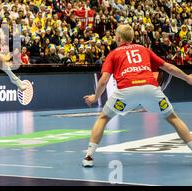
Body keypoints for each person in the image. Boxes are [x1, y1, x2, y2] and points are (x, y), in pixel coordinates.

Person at [82, 24, 192, 167]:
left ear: (118, 37)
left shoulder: (113, 53)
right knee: (172, 118)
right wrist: (187, 78)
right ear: (132, 38)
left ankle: (89, 157)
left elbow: (103, 81)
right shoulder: (143, 49)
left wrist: (95, 98)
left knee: (103, 118)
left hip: (126, 91)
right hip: (150, 89)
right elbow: (168, 67)